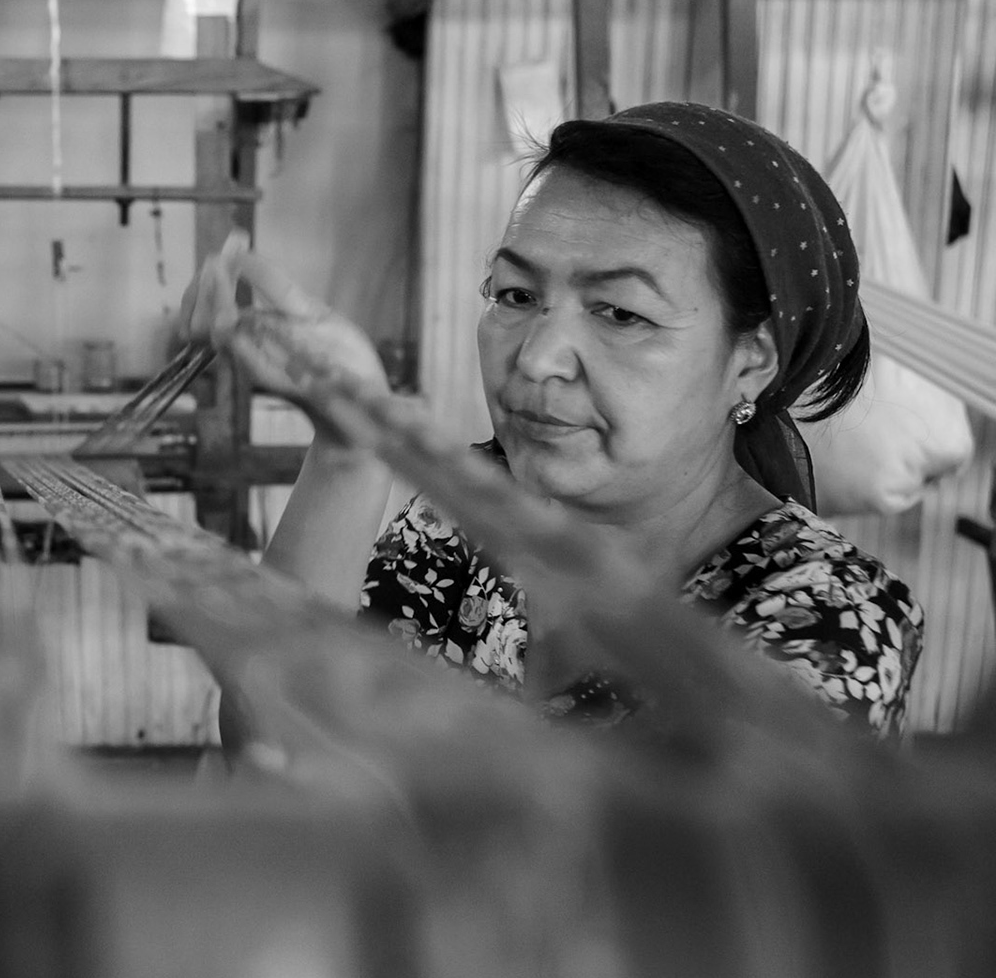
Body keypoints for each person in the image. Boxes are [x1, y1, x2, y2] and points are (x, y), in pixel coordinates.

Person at [187, 102, 923, 739]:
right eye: (514, 295)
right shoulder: (472, 510)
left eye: (620, 314)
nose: (538, 359)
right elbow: (279, 739)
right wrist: (348, 446)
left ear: (752, 361)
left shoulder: (827, 618)